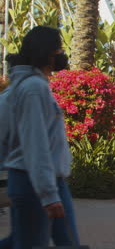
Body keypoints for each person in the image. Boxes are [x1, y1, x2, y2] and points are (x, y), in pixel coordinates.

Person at [0, 26, 80, 247]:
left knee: (25, 241)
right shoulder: (34, 88)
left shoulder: (26, 87)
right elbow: (36, 144)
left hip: (41, 181)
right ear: (48, 54)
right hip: (36, 184)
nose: (62, 55)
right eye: (59, 50)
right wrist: (49, 194)